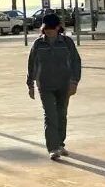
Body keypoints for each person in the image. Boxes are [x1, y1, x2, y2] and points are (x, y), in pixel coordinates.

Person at [27, 13, 82, 160]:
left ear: (58, 27)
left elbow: (76, 62)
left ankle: (60, 144)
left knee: (61, 115)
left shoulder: (67, 42)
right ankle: (52, 148)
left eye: (52, 28)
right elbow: (32, 64)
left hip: (64, 85)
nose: (49, 31)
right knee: (50, 116)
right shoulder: (38, 44)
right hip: (45, 86)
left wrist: (74, 82)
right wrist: (30, 84)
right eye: (46, 29)